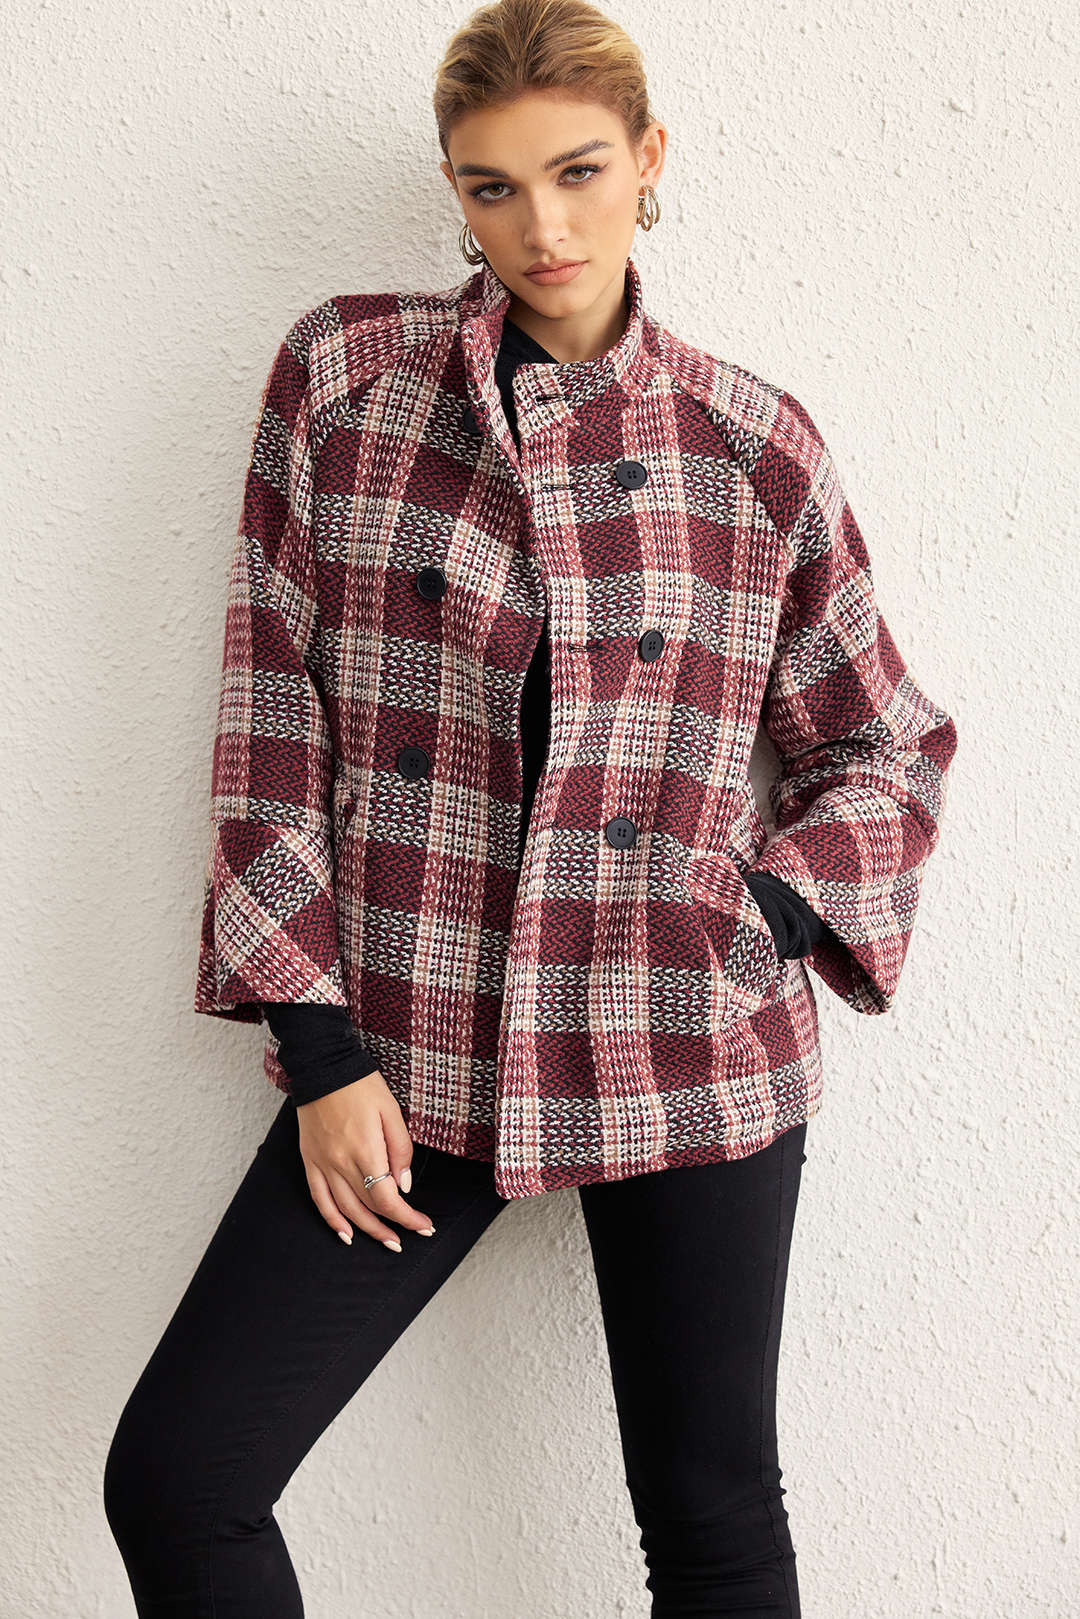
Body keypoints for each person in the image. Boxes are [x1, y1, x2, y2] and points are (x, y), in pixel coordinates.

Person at [103, 2, 958, 1613]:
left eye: (578, 172)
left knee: (711, 1514)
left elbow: (884, 743)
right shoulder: (346, 381)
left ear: (648, 162)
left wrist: (754, 917)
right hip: (411, 1046)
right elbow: (272, 719)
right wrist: (319, 1047)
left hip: (685, 1038)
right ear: (454, 192)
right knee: (182, 1477)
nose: (542, 228)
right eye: (492, 187)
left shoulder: (750, 443)